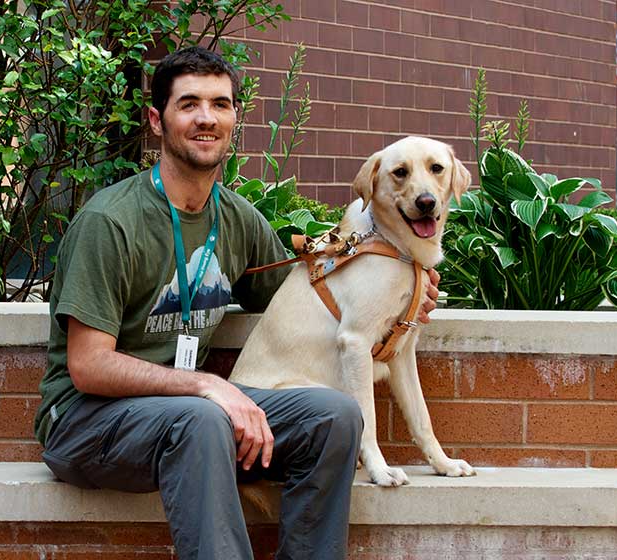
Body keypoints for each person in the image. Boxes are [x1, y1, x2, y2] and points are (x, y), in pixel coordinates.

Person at [35, 46, 435, 560]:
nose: (207, 118)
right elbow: (88, 366)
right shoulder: (110, 222)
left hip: (186, 417)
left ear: (234, 120)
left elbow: (311, 299)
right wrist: (206, 385)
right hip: (88, 424)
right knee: (199, 419)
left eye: (220, 104)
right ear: (157, 120)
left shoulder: (237, 219)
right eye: (190, 104)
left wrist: (398, 300)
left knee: (334, 415)